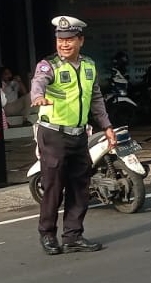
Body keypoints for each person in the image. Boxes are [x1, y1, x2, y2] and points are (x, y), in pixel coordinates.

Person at [30, 15, 116, 255]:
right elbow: (39, 82)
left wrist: (107, 126)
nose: (64, 44)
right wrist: (37, 96)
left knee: (80, 186)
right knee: (54, 186)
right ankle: (47, 234)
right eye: (60, 40)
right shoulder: (49, 65)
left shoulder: (89, 65)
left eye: (69, 40)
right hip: (53, 134)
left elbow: (95, 98)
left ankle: (73, 236)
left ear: (80, 41)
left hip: (79, 135)